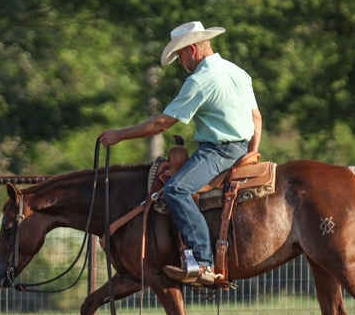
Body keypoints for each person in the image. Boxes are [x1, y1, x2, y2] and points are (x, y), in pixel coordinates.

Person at [98, 21, 262, 286]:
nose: (180, 61)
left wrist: (119, 134)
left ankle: (203, 261)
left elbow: (162, 123)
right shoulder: (238, 72)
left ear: (193, 50)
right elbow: (256, 118)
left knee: (176, 189)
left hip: (218, 150)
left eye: (180, 55)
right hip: (240, 148)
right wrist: (251, 154)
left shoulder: (200, 80)